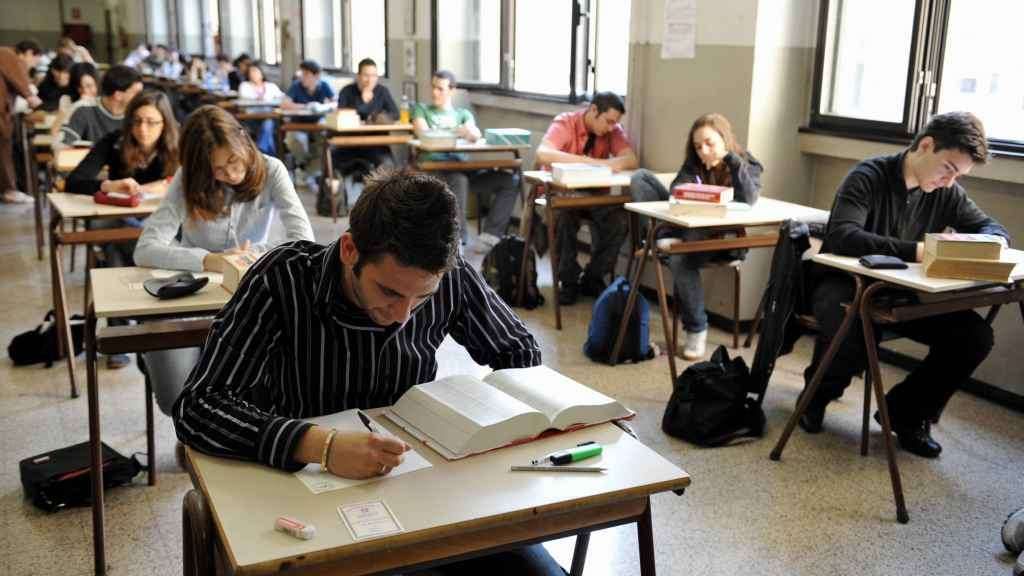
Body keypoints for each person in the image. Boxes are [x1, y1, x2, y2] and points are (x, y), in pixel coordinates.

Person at [173, 168, 564, 575]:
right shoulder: (283, 278)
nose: (402, 316)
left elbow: (520, 352)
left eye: (422, 298)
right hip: (307, 494)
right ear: (349, 250)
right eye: (389, 291)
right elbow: (197, 407)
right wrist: (320, 446)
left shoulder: (450, 277)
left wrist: (494, 427)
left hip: (421, 485)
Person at [798, 111, 1009, 458]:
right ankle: (815, 398)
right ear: (925, 145)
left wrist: (984, 243)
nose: (949, 182)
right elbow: (844, 235)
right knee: (852, 334)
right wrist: (917, 251)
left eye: (958, 175)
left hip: (902, 291)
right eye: (948, 168)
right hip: (845, 283)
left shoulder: (947, 192)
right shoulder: (867, 176)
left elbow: (994, 229)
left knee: (974, 337)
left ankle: (905, 412)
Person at [134, 105, 314, 415]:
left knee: (264, 389)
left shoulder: (271, 169)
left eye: (233, 161)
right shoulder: (188, 179)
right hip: (192, 295)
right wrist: (210, 260)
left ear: (243, 140)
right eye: (217, 170)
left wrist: (254, 254)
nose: (230, 174)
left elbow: (304, 241)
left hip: (248, 297)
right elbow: (146, 249)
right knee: (174, 397)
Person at [629, 113, 763, 359]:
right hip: (688, 231)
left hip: (721, 239)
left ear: (724, 140)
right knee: (641, 178)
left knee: (679, 258)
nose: (704, 151)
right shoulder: (694, 163)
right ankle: (665, 237)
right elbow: (676, 192)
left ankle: (696, 329)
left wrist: (729, 160)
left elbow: (750, 198)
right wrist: (695, 190)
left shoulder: (745, 162)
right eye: (698, 146)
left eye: (709, 143)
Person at [66, 91, 180, 368]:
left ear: (165, 123)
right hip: (124, 224)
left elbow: (196, 183)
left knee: (114, 248)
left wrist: (167, 185)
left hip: (163, 227)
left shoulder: (179, 145)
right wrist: (109, 185)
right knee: (119, 237)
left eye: (152, 122)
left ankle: (120, 337)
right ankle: (149, 325)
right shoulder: (114, 141)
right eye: (137, 121)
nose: (143, 129)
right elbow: (74, 181)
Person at [535, 91, 639, 305]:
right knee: (564, 215)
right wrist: (588, 162)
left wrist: (607, 164)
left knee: (620, 219)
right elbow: (542, 154)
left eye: (615, 123)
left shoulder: (613, 130)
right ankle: (568, 280)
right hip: (559, 193)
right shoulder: (566, 122)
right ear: (593, 110)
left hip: (593, 196)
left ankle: (593, 276)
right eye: (608, 121)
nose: (611, 127)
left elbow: (631, 160)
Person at [412, 69, 519, 250]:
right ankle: (458, 241)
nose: (434, 92)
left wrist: (469, 132)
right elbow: (424, 133)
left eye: (440, 89)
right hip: (435, 170)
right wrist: (457, 131)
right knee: (459, 180)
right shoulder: (421, 110)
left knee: (510, 181)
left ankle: (490, 236)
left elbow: (475, 133)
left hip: (464, 167)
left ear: (452, 91)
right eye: (433, 87)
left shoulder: (462, 114)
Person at [58, 64, 143, 147]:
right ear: (118, 95)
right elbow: (64, 146)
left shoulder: (139, 114)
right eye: (137, 93)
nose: (142, 97)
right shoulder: (83, 109)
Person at [1, 40, 43, 204]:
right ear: (28, 53)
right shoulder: (8, 55)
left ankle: (8, 189)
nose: (31, 67)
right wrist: (31, 97)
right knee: (3, 152)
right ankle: (9, 190)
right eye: (34, 62)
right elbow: (23, 85)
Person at [283, 59, 335, 188]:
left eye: (306, 74)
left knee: (325, 143)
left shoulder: (324, 86)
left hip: (318, 125)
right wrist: (306, 106)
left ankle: (306, 172)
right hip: (297, 124)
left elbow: (335, 102)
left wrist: (323, 106)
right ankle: (305, 167)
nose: (303, 77)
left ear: (316, 76)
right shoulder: (296, 85)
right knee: (292, 141)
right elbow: (285, 104)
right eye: (302, 73)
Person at [237, 61, 284, 155]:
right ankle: (267, 155)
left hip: (269, 117)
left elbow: (282, 97)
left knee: (268, 124)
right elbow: (245, 98)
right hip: (251, 118)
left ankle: (260, 152)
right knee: (268, 128)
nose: (253, 74)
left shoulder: (271, 86)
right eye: (251, 72)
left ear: (262, 73)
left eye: (255, 71)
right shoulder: (244, 86)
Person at [51, 62, 98, 138]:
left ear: (97, 84)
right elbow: (54, 133)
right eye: (80, 87)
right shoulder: (67, 100)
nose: (85, 91)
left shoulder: (103, 102)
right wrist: (75, 107)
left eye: (89, 86)